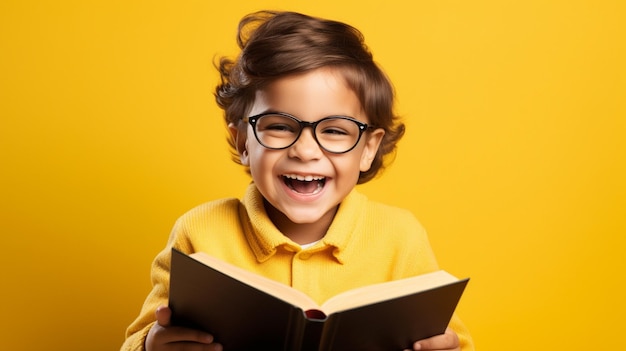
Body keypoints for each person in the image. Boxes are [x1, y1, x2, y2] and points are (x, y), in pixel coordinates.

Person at [121, 10, 474, 351]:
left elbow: (453, 341)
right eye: (279, 126)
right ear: (244, 142)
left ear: (368, 148)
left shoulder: (401, 237)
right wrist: (152, 345)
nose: (305, 151)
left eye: (334, 130)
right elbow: (138, 340)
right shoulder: (199, 232)